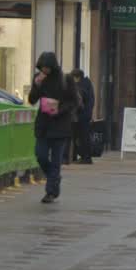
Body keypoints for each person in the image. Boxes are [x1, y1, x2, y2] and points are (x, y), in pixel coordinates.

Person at [28, 52, 80, 204]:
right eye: (42, 68)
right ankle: (54, 177)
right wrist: (37, 84)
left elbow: (74, 101)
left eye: (47, 68)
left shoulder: (66, 79)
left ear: (53, 66)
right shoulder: (38, 78)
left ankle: (51, 192)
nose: (45, 71)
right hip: (43, 125)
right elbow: (32, 100)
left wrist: (59, 109)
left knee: (56, 160)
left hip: (60, 126)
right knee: (40, 155)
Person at [70, 69, 95, 164]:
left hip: (81, 115)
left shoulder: (81, 86)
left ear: (77, 77)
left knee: (82, 136)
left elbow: (79, 100)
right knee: (82, 136)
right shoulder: (87, 84)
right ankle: (83, 156)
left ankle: (85, 157)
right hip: (86, 114)